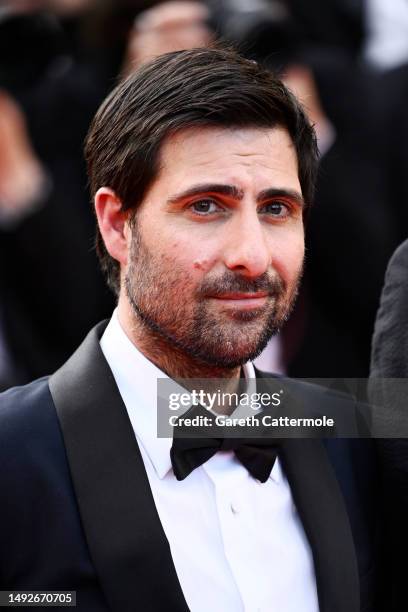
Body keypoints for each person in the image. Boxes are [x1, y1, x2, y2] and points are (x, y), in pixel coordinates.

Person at [0, 46, 383, 611]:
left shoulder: (355, 443)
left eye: (277, 209)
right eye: (207, 206)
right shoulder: (13, 457)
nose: (253, 256)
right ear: (117, 225)